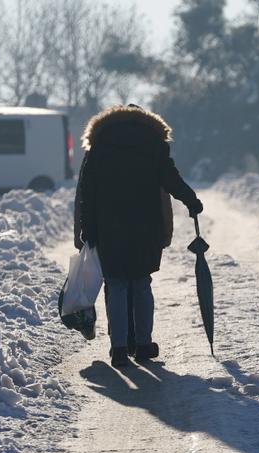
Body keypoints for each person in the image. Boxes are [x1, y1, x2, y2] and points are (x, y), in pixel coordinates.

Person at [75, 104, 203, 368]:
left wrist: (86, 228)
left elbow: (88, 192)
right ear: (144, 121)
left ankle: (119, 348)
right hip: (146, 226)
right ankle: (144, 345)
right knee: (142, 284)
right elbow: (171, 179)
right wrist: (191, 201)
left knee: (117, 285)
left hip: (109, 228)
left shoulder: (100, 145)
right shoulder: (154, 143)